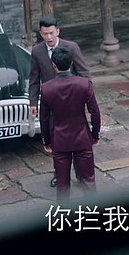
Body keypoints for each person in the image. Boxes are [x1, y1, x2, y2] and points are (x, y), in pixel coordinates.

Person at [28, 15, 91, 187]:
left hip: (73, 100)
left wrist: (87, 96)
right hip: (52, 102)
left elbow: (84, 74)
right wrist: (33, 102)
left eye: (51, 33)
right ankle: (59, 173)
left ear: (57, 31)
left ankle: (81, 173)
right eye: (45, 34)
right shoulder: (37, 51)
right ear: (40, 33)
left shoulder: (71, 47)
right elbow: (34, 78)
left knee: (78, 137)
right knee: (56, 139)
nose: (49, 37)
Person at [40, 46, 100, 202]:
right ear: (72, 62)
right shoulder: (84, 84)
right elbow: (95, 112)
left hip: (60, 140)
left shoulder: (46, 88)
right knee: (88, 180)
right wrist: (95, 135)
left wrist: (47, 141)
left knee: (62, 184)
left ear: (54, 65)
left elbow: (44, 119)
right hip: (82, 137)